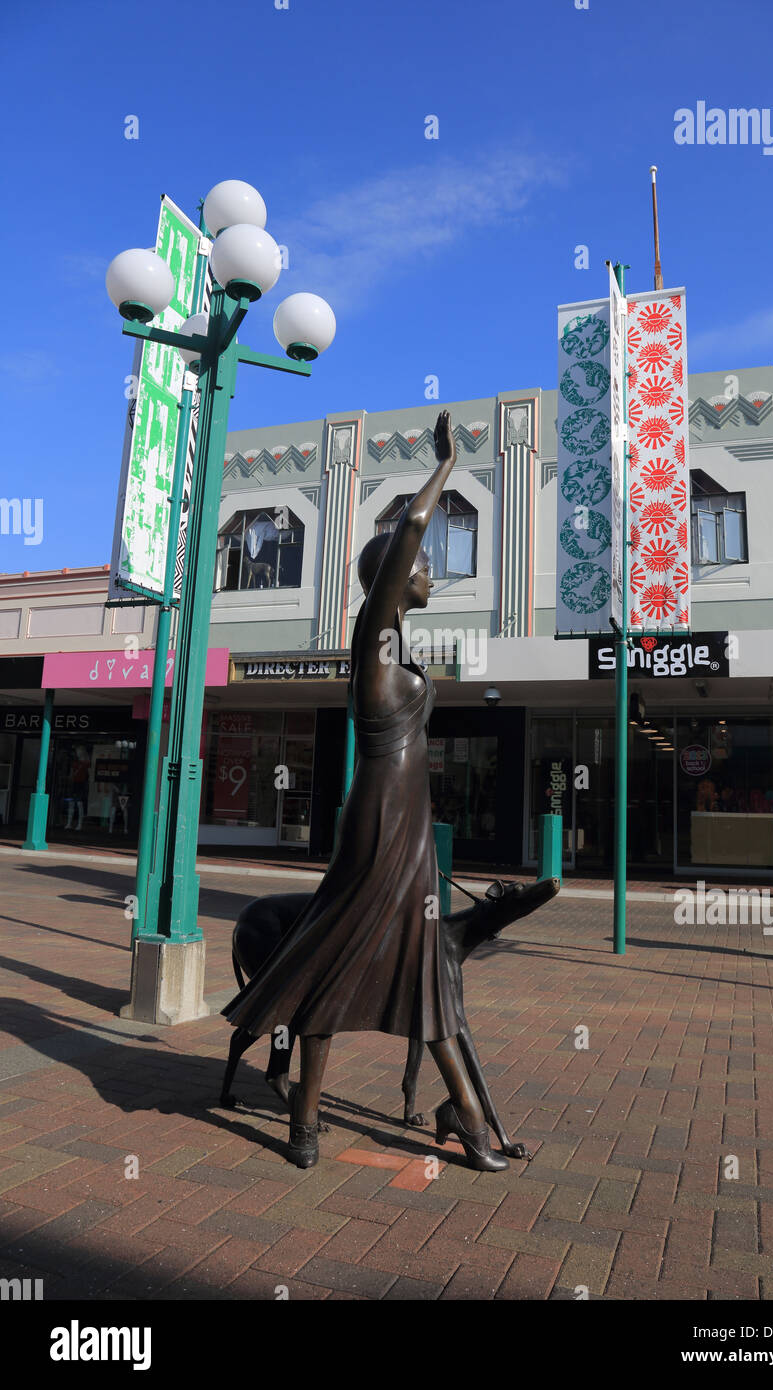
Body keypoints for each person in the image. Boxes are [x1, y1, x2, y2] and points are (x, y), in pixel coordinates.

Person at [222, 412, 507, 1172]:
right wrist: (445, 467)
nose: (429, 574)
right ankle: (305, 1123)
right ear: (388, 579)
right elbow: (412, 527)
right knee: (332, 962)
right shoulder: (374, 647)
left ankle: (468, 1120)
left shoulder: (399, 654)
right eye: (418, 570)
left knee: (425, 971)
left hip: (410, 828)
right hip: (379, 828)